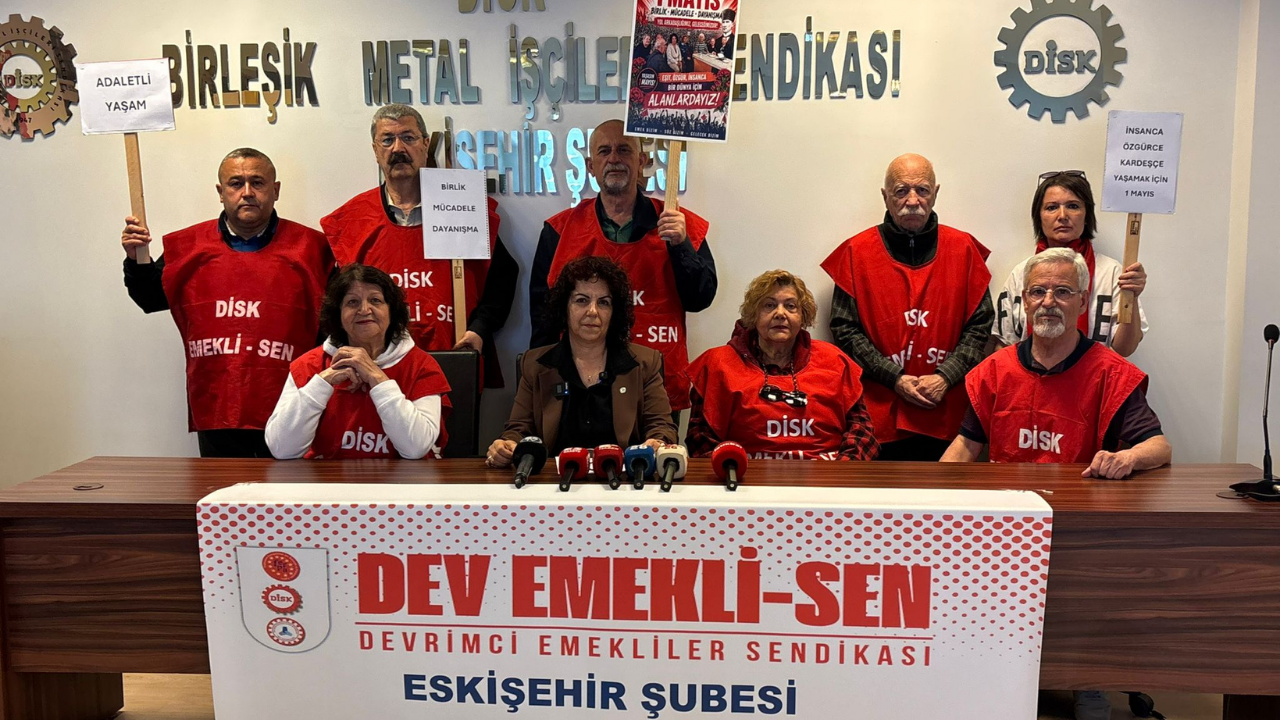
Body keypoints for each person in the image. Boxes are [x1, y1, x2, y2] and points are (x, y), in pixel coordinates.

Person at [942, 248, 1171, 720]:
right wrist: (931, 495)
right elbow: (966, 445)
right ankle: (992, 678)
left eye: (1062, 291)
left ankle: (1089, 679)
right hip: (1006, 525)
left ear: (1083, 302)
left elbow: (1159, 446)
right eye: (1038, 292)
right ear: (1024, 302)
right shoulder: (993, 370)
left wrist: (1126, 458)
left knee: (1091, 584)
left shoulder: (1110, 370)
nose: (1049, 302)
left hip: (1079, 527)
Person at [120, 147, 333, 458]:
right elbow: (150, 298)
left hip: (294, 404)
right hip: (218, 406)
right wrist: (136, 260)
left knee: (289, 489)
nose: (247, 193)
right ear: (221, 192)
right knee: (223, 488)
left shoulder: (314, 250)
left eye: (257, 183)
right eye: (236, 183)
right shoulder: (188, 248)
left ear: (275, 190)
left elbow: (336, 327)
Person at [530, 119, 718, 415]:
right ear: (590, 166)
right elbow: (544, 318)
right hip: (581, 386)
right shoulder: (559, 231)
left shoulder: (678, 225)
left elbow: (700, 299)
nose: (614, 158)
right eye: (604, 151)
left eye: (624, 150)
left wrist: (680, 245)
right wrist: (539, 383)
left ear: (642, 161)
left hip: (656, 386)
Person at [321, 104, 517, 387]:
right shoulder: (350, 223)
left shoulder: (464, 206)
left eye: (408, 137)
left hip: (453, 361)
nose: (398, 148)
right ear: (375, 150)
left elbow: (503, 278)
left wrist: (480, 330)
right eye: (387, 140)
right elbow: (333, 304)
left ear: (425, 144)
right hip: (374, 370)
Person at [822, 153, 994, 461]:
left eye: (922, 190)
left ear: (935, 193)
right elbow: (845, 331)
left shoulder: (965, 250)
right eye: (901, 191)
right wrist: (895, 377)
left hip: (950, 417)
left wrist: (945, 376)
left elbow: (979, 327)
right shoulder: (855, 253)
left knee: (947, 493)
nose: (912, 200)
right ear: (885, 196)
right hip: (878, 417)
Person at [486, 257, 677, 466]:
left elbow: (662, 427)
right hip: (554, 480)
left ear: (614, 312)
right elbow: (517, 430)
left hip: (623, 479)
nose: (592, 311)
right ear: (564, 307)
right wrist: (507, 445)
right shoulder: (536, 365)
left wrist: (657, 442)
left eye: (603, 302)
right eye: (582, 300)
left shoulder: (645, 363)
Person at [686, 270, 878, 461]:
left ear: (803, 315)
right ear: (753, 314)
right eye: (769, 305)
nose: (780, 313)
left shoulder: (835, 361)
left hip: (826, 475)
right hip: (745, 475)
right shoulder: (717, 365)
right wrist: (730, 471)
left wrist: (843, 471)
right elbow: (700, 440)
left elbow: (862, 432)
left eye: (790, 306)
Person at [266, 264, 451, 460]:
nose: (364, 310)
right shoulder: (309, 365)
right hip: (327, 477)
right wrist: (322, 382)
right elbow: (281, 449)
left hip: (402, 478)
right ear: (338, 314)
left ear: (392, 311)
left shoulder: (421, 365)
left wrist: (377, 377)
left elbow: (416, 448)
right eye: (352, 302)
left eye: (375, 300)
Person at [994, 171, 1149, 357]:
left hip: (1093, 374)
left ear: (1086, 215)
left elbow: (1125, 349)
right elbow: (1004, 345)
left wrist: (1132, 295)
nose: (1062, 215)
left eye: (1073, 206)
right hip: (1031, 374)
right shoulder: (1021, 273)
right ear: (1038, 216)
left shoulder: (1112, 273)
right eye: (1052, 207)